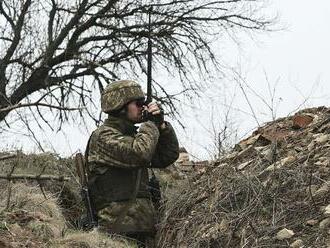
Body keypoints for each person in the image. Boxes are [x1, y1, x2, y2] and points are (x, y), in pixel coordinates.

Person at [86, 80, 179, 247]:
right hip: (115, 234)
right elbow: (139, 154)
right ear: (120, 106)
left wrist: (162, 126)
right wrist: (150, 124)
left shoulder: (134, 137)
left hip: (143, 231)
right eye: (138, 103)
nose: (143, 107)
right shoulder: (103, 137)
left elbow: (167, 156)